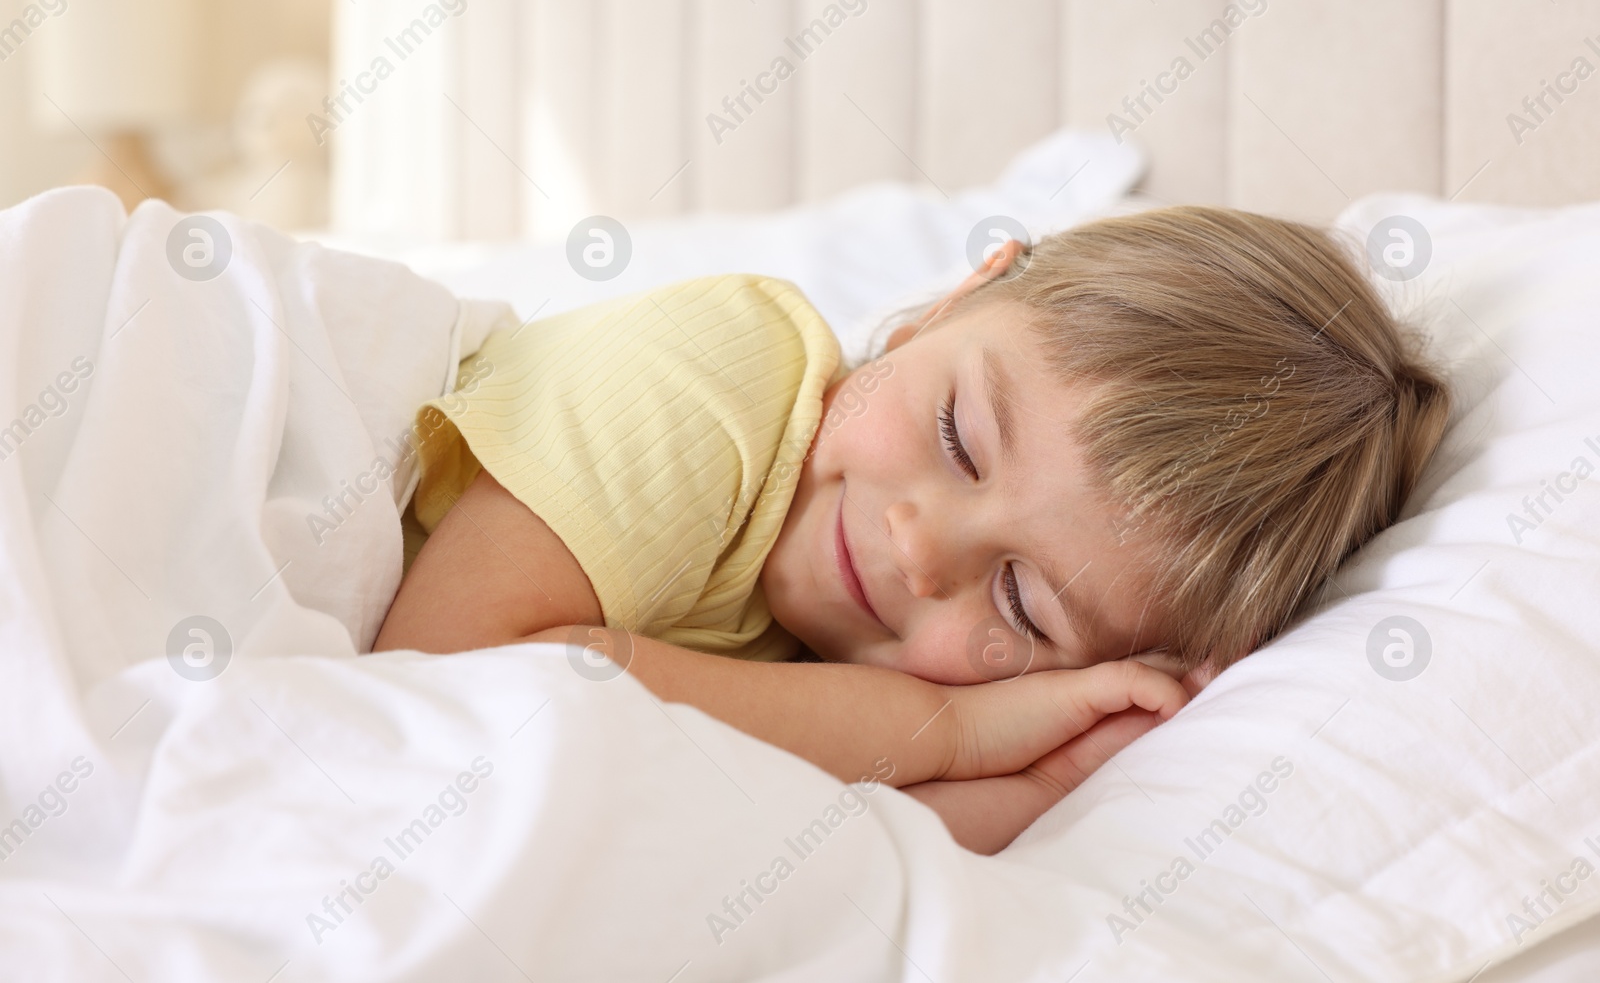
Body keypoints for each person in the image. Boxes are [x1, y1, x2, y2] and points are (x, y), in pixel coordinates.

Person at [372, 206, 1452, 854]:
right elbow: (443, 684)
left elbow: (821, 850)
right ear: (952, 299)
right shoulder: (721, 370)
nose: (923, 548)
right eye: (957, 434)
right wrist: (946, 730)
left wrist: (1038, 786)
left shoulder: (821, 675)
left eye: (1023, 602)